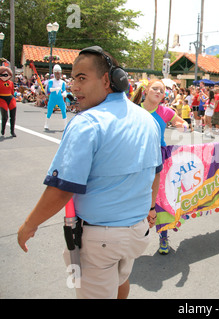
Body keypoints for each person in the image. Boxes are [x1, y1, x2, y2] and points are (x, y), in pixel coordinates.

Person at [17, 46, 162, 299]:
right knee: (121, 280)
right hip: (138, 233)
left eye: (82, 78)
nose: (74, 87)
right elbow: (155, 173)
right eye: (73, 79)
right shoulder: (147, 119)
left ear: (108, 80)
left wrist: (30, 224)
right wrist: (150, 208)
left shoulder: (86, 123)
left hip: (100, 241)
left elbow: (62, 188)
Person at [141, 79, 188, 255]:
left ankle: (163, 236)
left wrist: (180, 125)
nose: (159, 92)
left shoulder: (165, 111)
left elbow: (182, 123)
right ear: (146, 90)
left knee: (160, 200)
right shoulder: (133, 108)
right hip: (136, 158)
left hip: (158, 158)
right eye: (155, 88)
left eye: (162, 90)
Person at [45, 64, 68, 130]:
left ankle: (65, 126)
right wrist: (56, 88)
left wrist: (64, 94)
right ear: (54, 74)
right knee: (49, 111)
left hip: (60, 99)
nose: (58, 75)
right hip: (52, 98)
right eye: (56, 74)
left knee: (63, 111)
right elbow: (49, 89)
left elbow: (64, 90)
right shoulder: (51, 81)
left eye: (59, 74)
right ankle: (46, 124)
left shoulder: (63, 82)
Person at [0, 66, 17, 137]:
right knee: (5, 116)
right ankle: (3, 129)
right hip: (2, 98)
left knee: (13, 115)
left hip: (10, 98)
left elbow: (12, 92)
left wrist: (13, 98)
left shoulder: (11, 83)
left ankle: (12, 131)